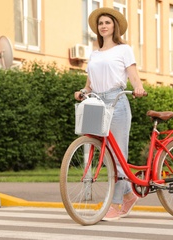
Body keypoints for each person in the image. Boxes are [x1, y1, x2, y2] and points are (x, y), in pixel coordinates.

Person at [74, 7, 146, 221]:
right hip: (96, 102)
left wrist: (139, 87)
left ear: (114, 26)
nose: (103, 25)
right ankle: (128, 195)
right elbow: (90, 84)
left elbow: (133, 75)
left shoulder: (124, 49)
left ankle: (116, 203)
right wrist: (82, 92)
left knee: (117, 156)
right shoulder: (94, 54)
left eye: (107, 22)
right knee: (102, 152)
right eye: (101, 23)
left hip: (117, 101)